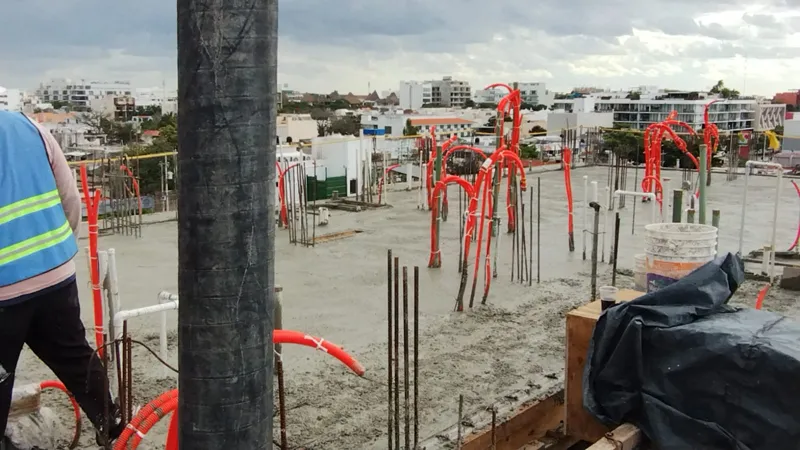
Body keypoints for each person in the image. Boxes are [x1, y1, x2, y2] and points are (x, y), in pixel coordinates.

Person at [0, 110, 122, 448]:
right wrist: (55, 253)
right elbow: (70, 199)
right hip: (54, 276)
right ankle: (113, 427)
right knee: (74, 356)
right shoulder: (28, 127)